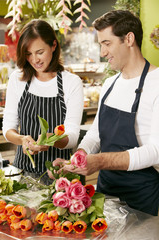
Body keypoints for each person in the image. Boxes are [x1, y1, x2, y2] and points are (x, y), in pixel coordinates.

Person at [51, 10, 159, 216]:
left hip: (142, 196)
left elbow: (157, 150)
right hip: (105, 192)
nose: (102, 52)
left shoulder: (157, 83)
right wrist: (79, 157)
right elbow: (96, 133)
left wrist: (100, 161)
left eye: (107, 43)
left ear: (129, 39)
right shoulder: (110, 83)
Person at [2, 19, 84, 185]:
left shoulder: (71, 82)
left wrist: (53, 139)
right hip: (24, 173)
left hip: (60, 175)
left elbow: (73, 135)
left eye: (40, 52)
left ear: (53, 46)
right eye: (28, 54)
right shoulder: (17, 79)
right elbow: (8, 128)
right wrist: (22, 139)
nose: (34, 60)